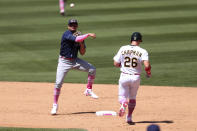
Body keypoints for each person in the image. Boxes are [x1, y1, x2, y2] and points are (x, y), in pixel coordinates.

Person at [51, 19, 99, 115]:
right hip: (64, 62)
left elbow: (82, 52)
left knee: (92, 69)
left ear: (77, 26)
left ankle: (88, 90)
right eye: (71, 24)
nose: (73, 26)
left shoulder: (79, 36)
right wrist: (88, 34)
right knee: (58, 84)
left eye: (75, 25)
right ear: (68, 26)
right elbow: (76, 39)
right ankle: (55, 105)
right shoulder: (66, 34)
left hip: (75, 61)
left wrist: (81, 43)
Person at [113, 32, 151, 123]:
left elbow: (115, 63)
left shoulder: (123, 48)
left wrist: (122, 65)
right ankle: (129, 117)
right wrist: (148, 72)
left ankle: (123, 103)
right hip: (135, 78)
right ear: (139, 40)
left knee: (122, 97)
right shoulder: (143, 51)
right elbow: (146, 65)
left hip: (124, 76)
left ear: (131, 40)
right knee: (133, 98)